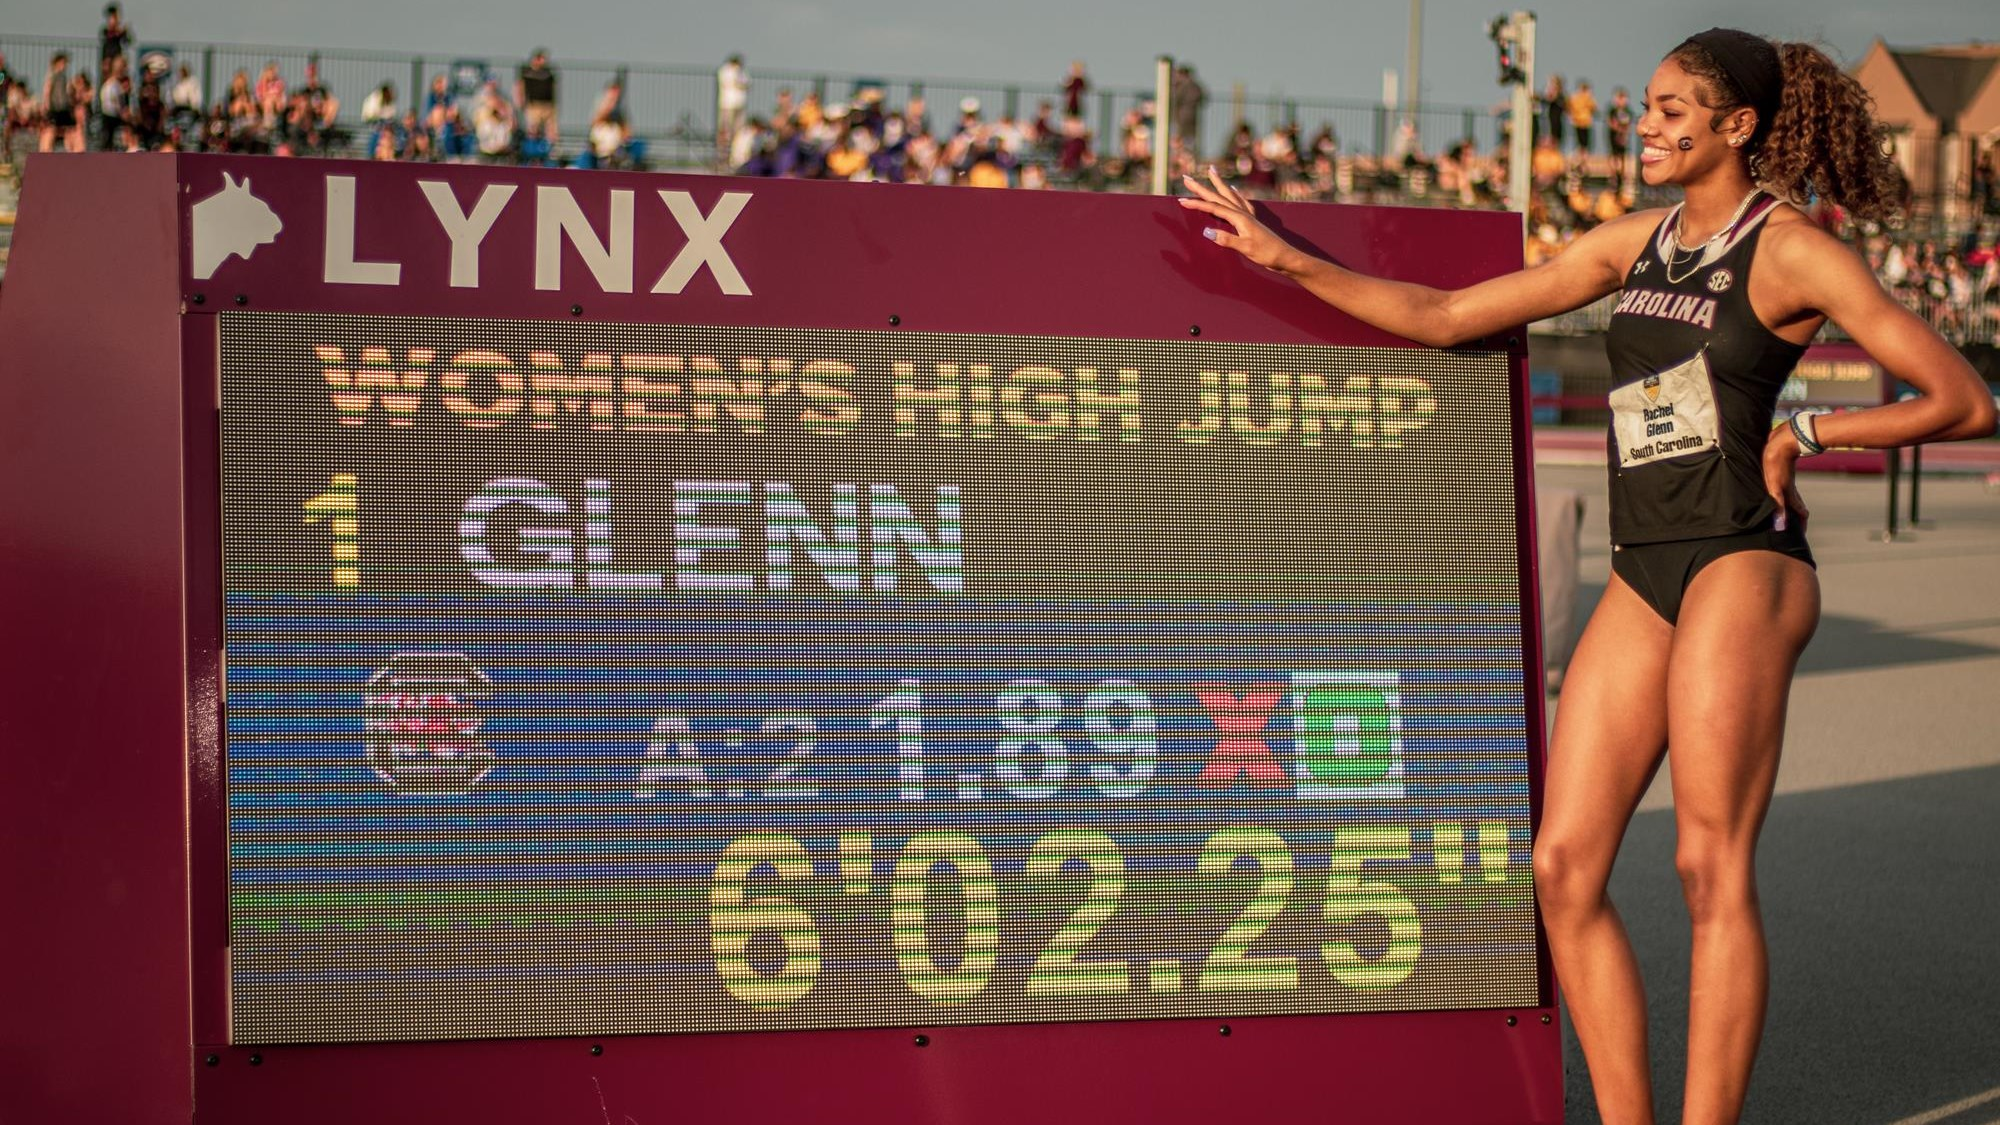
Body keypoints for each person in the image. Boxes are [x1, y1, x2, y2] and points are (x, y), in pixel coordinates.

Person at [1178, 27, 1994, 1125]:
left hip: (1740, 562)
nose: (1641, 124)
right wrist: (1281, 258)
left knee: (1707, 868)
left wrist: (1809, 429)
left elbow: (1959, 397)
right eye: (1642, 106)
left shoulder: (1791, 249)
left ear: (1735, 126)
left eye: (1667, 109)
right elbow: (1446, 316)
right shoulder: (1630, 243)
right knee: (1560, 869)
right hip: (1643, 568)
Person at [516, 47, 557, 148]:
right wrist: (521, 102)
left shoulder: (548, 73)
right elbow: (519, 87)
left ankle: (549, 152)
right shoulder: (526, 72)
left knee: (551, 132)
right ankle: (531, 151)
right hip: (533, 106)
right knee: (533, 130)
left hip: (548, 106)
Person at [717, 53, 748, 166]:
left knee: (738, 133)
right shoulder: (725, 70)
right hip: (727, 105)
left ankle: (735, 156)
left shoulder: (742, 71)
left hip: (739, 105)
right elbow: (735, 82)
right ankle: (723, 157)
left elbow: (746, 83)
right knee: (725, 132)